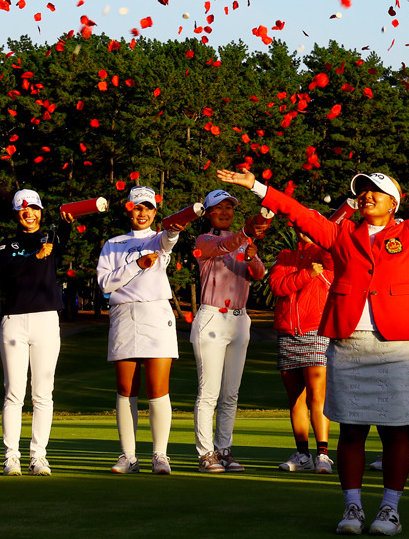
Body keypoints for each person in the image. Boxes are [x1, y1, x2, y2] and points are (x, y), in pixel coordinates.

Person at [217, 167, 409, 537]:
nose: (366, 196)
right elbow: (299, 212)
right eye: (362, 191)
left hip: (398, 346)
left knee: (396, 433)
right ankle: (352, 506)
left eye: (375, 191)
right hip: (349, 343)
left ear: (393, 202)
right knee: (351, 431)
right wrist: (256, 186)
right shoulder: (342, 232)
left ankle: (389, 511)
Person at [96, 186, 186, 476]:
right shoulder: (113, 243)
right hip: (124, 315)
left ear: (155, 212)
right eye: (137, 207)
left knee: (158, 389)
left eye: (148, 207)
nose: (142, 212)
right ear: (129, 209)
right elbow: (105, 285)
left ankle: (160, 455)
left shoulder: (158, 239)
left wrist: (173, 230)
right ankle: (129, 456)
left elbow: (170, 238)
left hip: (156, 314)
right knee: (126, 389)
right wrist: (136, 265)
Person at [0, 189, 73, 477]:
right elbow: (6, 273)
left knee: (42, 393)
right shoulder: (7, 245)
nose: (29, 213)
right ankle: (11, 456)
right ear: (16, 213)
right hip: (14, 319)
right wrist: (36, 256)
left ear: (41, 211)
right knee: (14, 393)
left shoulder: (51, 237)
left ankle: (38, 456)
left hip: (46, 319)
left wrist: (65, 222)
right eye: (23, 209)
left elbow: (64, 233)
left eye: (35, 208)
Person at [191, 189, 267, 474]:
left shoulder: (240, 241)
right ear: (209, 213)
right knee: (208, 392)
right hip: (212, 317)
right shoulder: (205, 240)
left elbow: (257, 274)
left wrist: (251, 257)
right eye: (219, 208)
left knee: (230, 393)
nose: (225, 212)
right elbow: (224, 246)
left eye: (229, 208)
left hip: (239, 319)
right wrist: (246, 235)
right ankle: (206, 453)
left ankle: (224, 449)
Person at [270, 223, 334, 474]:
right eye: (300, 226)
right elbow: (277, 287)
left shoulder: (325, 255)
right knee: (295, 398)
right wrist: (306, 274)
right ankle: (303, 454)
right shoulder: (285, 256)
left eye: (310, 226)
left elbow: (331, 255)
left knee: (317, 396)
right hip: (287, 333)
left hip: (316, 331)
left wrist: (323, 240)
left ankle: (323, 455)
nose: (304, 231)